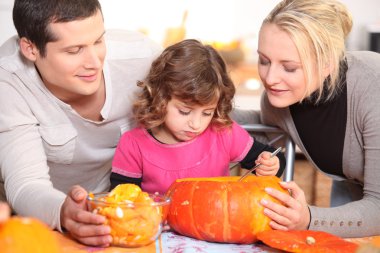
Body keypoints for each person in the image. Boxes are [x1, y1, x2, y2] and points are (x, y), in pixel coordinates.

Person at [0, 0, 161, 246]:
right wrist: (64, 212)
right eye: (74, 51)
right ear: (30, 49)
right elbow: (26, 184)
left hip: (129, 218)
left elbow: (207, 108)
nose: (95, 63)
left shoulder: (144, 57)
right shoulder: (8, 80)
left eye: (98, 41)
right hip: (44, 223)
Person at [248, 0, 380, 238]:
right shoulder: (277, 100)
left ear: (327, 63)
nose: (270, 78)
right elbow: (267, 133)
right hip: (353, 195)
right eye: (264, 60)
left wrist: (310, 218)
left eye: (289, 68)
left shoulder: (374, 85)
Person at [110, 39, 286, 194]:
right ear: (160, 98)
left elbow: (270, 156)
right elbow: (123, 200)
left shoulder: (223, 133)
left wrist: (271, 165)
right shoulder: (133, 144)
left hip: (214, 226)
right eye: (185, 111)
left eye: (207, 113)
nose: (196, 124)